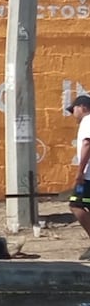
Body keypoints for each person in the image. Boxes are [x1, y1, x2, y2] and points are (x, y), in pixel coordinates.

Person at [65, 94, 90, 260]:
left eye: (73, 109)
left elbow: (87, 144)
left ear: (82, 107)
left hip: (88, 176)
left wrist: (80, 172)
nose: (72, 114)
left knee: (76, 205)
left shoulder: (87, 121)